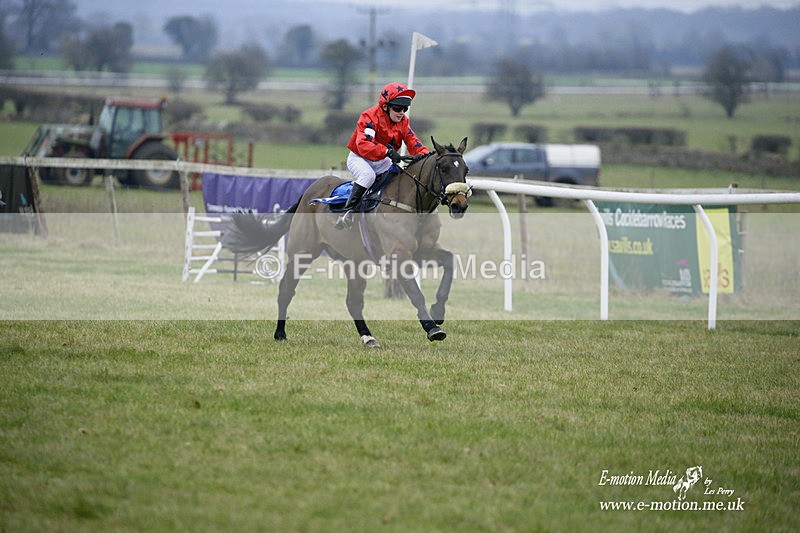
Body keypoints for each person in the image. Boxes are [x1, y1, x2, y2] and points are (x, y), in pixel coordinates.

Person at [336, 82, 430, 228]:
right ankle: (346, 213)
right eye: (398, 108)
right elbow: (364, 144)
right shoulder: (369, 117)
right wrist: (387, 151)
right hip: (360, 158)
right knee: (368, 176)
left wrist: (425, 156)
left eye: (405, 108)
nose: (401, 112)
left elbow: (413, 141)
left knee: (399, 175)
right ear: (385, 106)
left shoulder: (403, 121)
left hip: (382, 161)